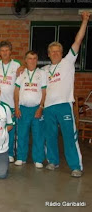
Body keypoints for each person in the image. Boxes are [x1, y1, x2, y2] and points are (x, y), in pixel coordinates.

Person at [42, 12, 90, 177]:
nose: (55, 53)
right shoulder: (45, 70)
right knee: (50, 136)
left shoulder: (68, 62)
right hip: (48, 107)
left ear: (62, 53)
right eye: (52, 51)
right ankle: (53, 161)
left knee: (70, 136)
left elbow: (78, 40)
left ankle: (76, 166)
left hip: (64, 105)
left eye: (57, 51)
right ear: (48, 54)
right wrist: (21, 68)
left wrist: (85, 20)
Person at [14, 51, 46, 168]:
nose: (32, 61)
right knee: (22, 134)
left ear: (37, 60)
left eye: (34, 58)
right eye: (29, 58)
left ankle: (38, 159)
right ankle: (21, 157)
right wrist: (16, 107)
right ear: (25, 60)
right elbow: (16, 91)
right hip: (23, 109)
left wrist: (41, 107)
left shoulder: (41, 73)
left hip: (36, 108)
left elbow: (44, 91)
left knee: (38, 134)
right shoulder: (22, 73)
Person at [0, 41, 20, 163]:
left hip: (11, 104)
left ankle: (10, 153)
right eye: (2, 50)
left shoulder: (17, 65)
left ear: (10, 51)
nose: (5, 53)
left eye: (7, 50)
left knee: (10, 130)